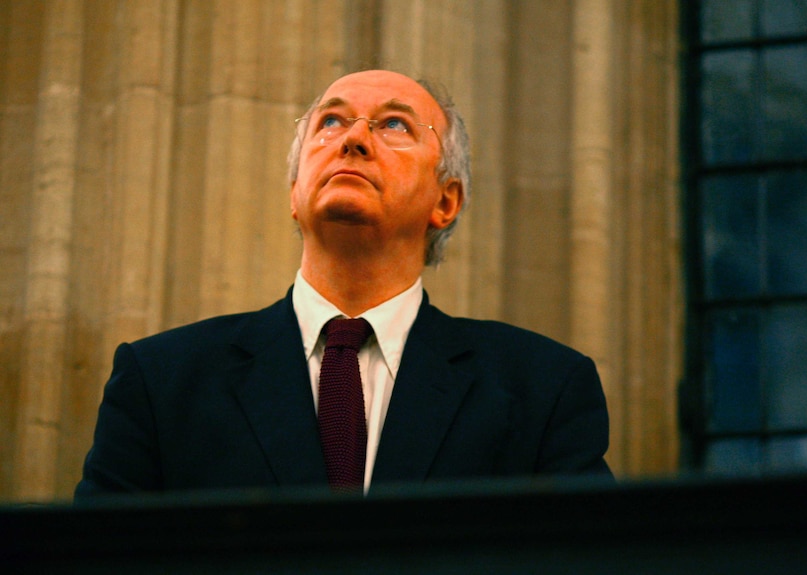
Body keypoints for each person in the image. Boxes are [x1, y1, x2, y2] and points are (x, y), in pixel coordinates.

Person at [75, 70, 612, 498]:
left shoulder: (542, 390)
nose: (353, 138)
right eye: (330, 122)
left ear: (445, 201)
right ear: (294, 190)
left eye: (395, 125)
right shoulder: (161, 382)